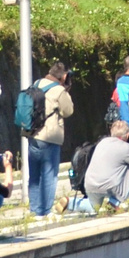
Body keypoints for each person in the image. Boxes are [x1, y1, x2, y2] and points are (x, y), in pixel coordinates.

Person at [27, 62, 75, 215]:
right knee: (49, 175)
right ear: (64, 76)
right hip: (50, 137)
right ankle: (45, 211)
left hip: (33, 135)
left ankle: (34, 209)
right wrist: (66, 91)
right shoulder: (59, 90)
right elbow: (68, 111)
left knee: (34, 175)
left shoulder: (37, 83)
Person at [69, 121, 129, 212]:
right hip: (110, 187)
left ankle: (69, 202)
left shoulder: (102, 142)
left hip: (91, 184)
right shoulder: (126, 148)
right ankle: (113, 204)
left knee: (92, 207)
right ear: (128, 135)